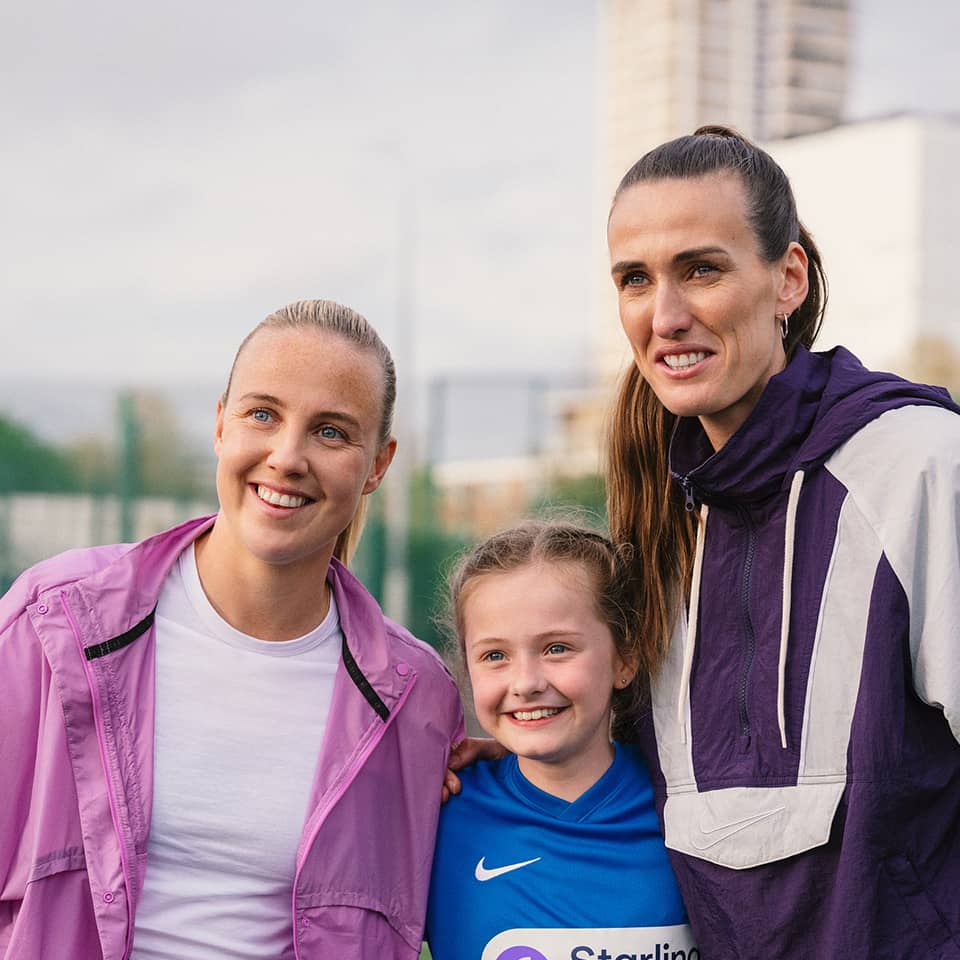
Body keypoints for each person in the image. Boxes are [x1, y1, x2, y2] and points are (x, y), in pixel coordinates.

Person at [0, 299, 464, 960]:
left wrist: (511, 769)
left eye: (331, 432)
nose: (287, 456)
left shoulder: (416, 700)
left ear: (378, 465)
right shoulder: (52, 623)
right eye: (263, 414)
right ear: (221, 426)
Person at [603, 126, 960, 957]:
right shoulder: (657, 518)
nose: (666, 315)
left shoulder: (917, 464)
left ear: (787, 278)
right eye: (634, 279)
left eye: (702, 269)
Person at [427, 521, 696, 960]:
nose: (527, 683)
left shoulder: (685, 806)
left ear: (624, 658)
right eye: (495, 656)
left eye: (557, 648)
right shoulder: (436, 813)